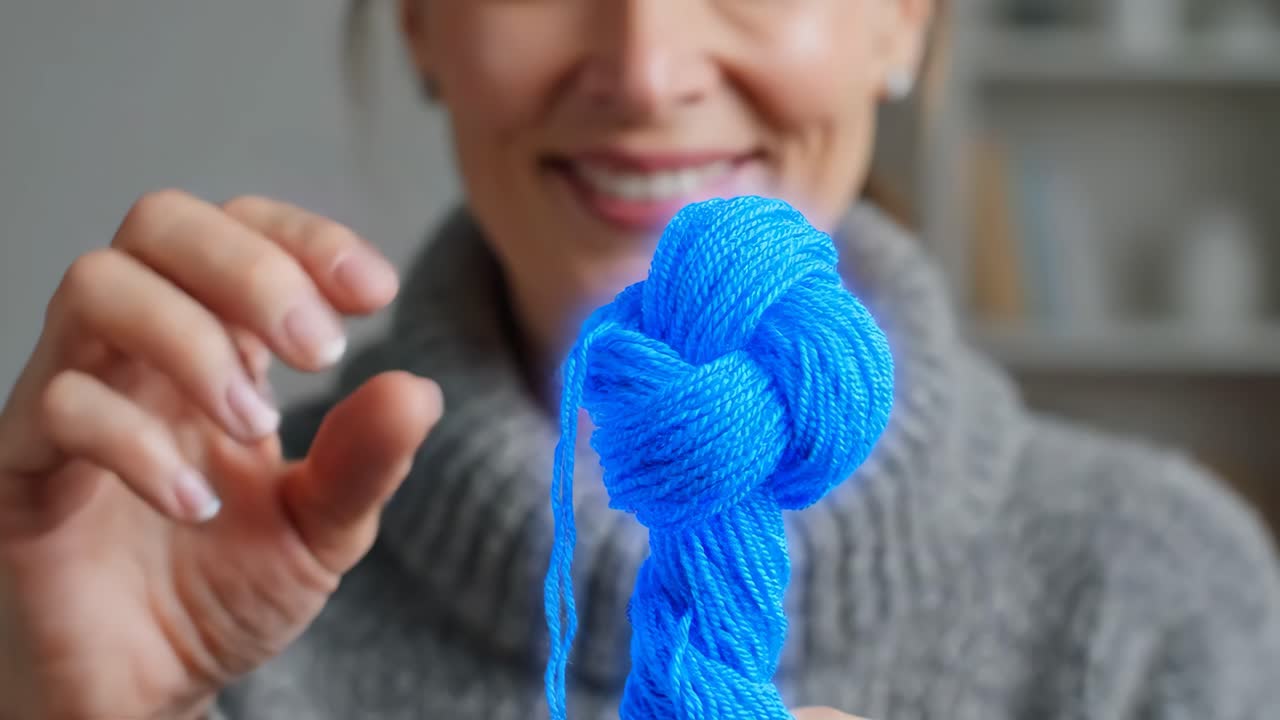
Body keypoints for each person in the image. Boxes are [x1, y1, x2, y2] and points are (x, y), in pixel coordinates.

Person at [2, 1, 1278, 718]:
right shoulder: (179, 583)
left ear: (903, 20)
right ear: (416, 25)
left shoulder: (1161, 599)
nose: (645, 67)